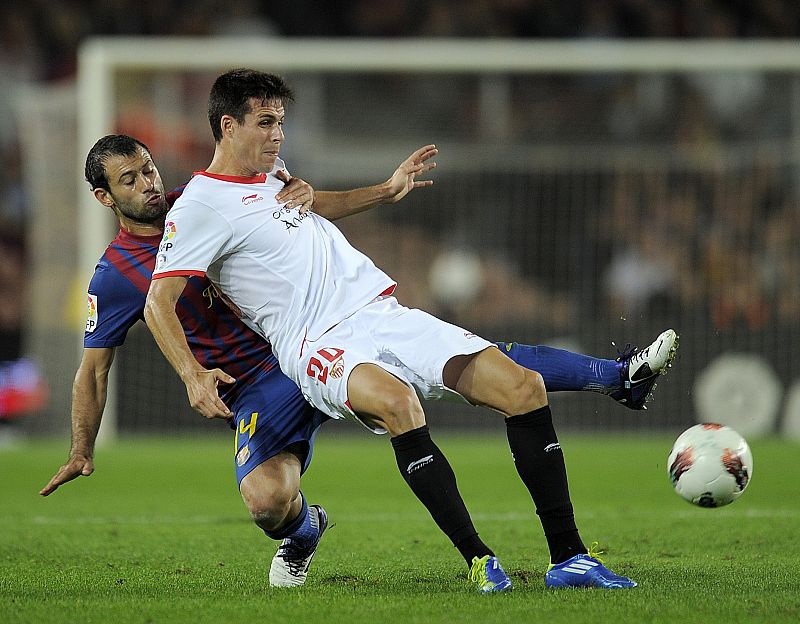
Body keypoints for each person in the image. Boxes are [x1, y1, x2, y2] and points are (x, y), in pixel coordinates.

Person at [145, 69, 678, 592]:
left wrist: (386, 189)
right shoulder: (197, 207)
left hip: (382, 313)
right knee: (400, 403)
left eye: (280, 121)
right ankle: (478, 559)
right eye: (265, 122)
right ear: (227, 126)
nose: (277, 133)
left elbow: (310, 206)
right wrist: (192, 374)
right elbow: (157, 303)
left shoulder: (271, 173)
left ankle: (570, 559)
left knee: (524, 388)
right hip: (315, 342)